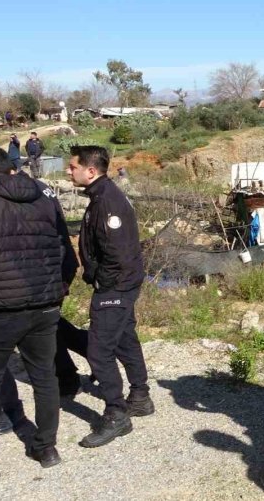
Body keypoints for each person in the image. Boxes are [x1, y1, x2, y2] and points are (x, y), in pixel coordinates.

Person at [0, 145, 69, 482]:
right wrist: (55, 291)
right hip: (44, 306)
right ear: (9, 167)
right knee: (44, 377)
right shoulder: (43, 200)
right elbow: (60, 247)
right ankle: (46, 447)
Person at [67, 145, 153, 448]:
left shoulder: (107, 201)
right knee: (124, 336)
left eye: (72, 166)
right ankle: (140, 396)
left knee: (99, 349)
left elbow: (116, 253)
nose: (68, 171)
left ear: (90, 171)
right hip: (120, 284)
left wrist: (104, 285)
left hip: (115, 285)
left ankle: (116, 413)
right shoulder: (101, 195)